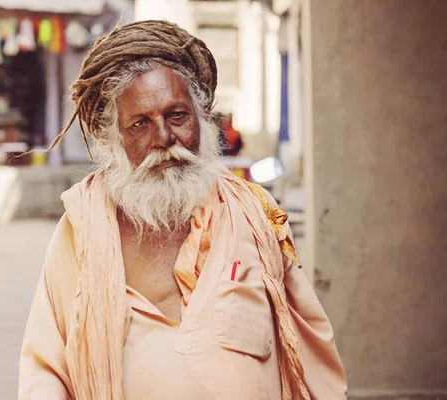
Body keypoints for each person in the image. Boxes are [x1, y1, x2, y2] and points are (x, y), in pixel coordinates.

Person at [19, 20, 347, 400]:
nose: (164, 139)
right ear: (115, 137)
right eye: (140, 123)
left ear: (202, 117)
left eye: (177, 115)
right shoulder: (83, 226)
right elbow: (45, 369)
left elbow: (308, 346)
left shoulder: (254, 213)